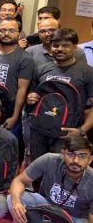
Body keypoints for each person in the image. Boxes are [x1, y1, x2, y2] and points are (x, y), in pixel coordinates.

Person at [8, 136, 93, 223]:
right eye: (71, 154)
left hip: (75, 219)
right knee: (14, 199)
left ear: (90, 159)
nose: (76, 160)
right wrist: (16, 202)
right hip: (46, 207)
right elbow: (19, 181)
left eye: (82, 156)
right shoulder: (49, 160)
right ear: (63, 153)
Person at [27, 28, 93, 161]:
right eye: (56, 45)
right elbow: (32, 97)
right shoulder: (41, 69)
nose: (60, 49)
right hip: (38, 132)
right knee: (36, 170)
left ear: (75, 47)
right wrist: (30, 99)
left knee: (60, 172)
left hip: (66, 135)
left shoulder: (87, 72)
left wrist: (81, 131)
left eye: (65, 45)